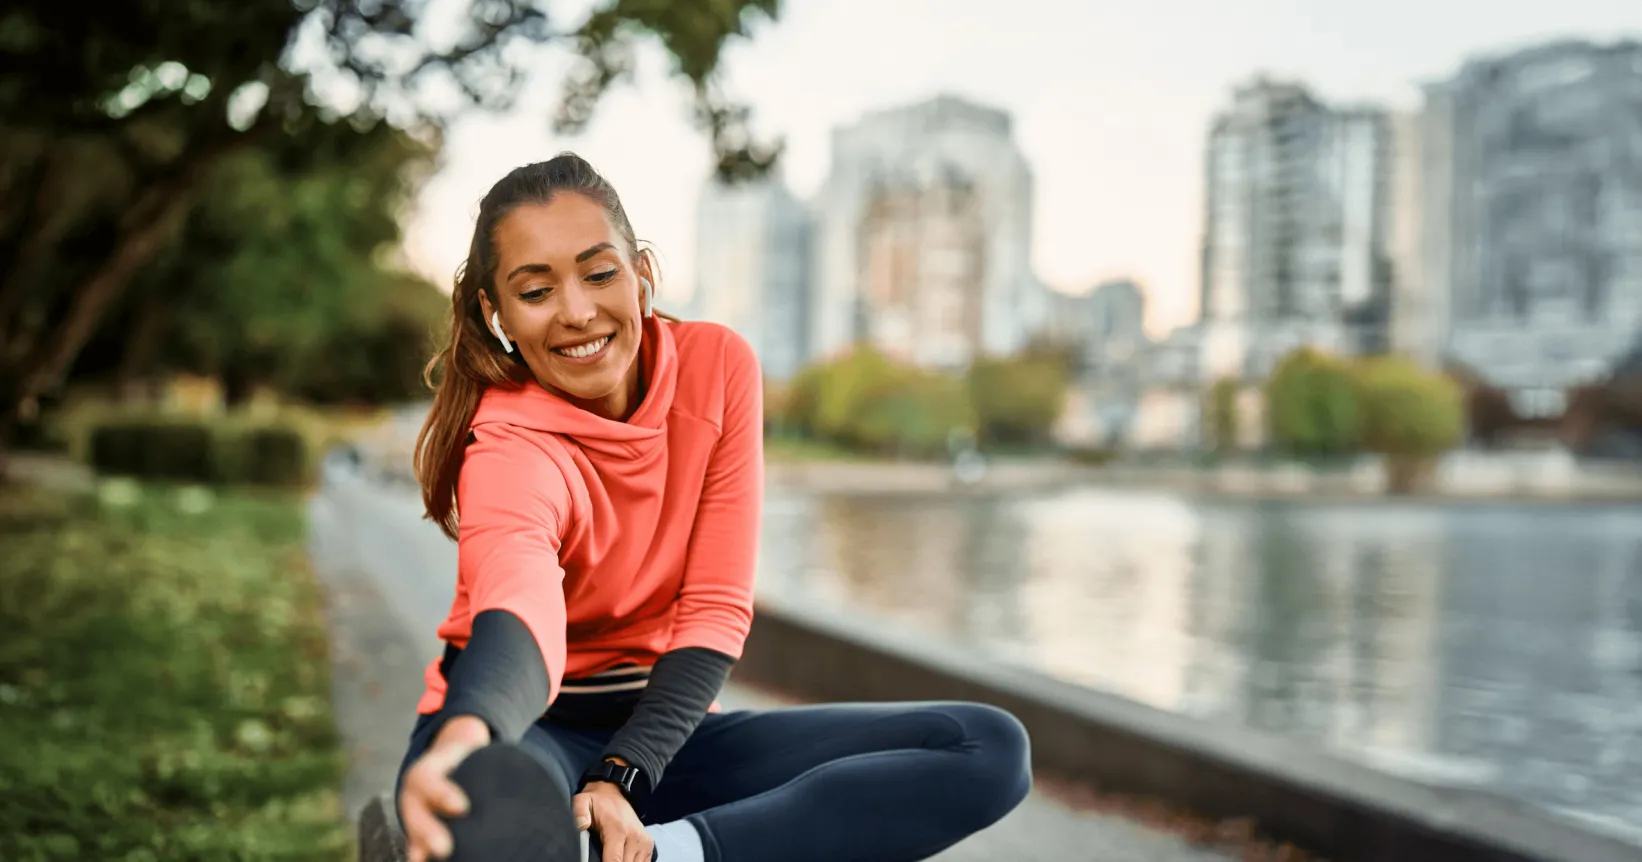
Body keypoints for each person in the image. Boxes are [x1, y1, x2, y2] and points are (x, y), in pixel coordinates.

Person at [386, 152, 1032, 862]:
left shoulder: (717, 369)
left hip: (666, 733)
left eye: (599, 274)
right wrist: (465, 734)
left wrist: (622, 775)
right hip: (520, 723)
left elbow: (716, 607)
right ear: (496, 312)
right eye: (535, 291)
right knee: (488, 824)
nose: (576, 312)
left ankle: (668, 854)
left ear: (643, 277)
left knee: (986, 747)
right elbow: (520, 607)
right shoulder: (509, 442)